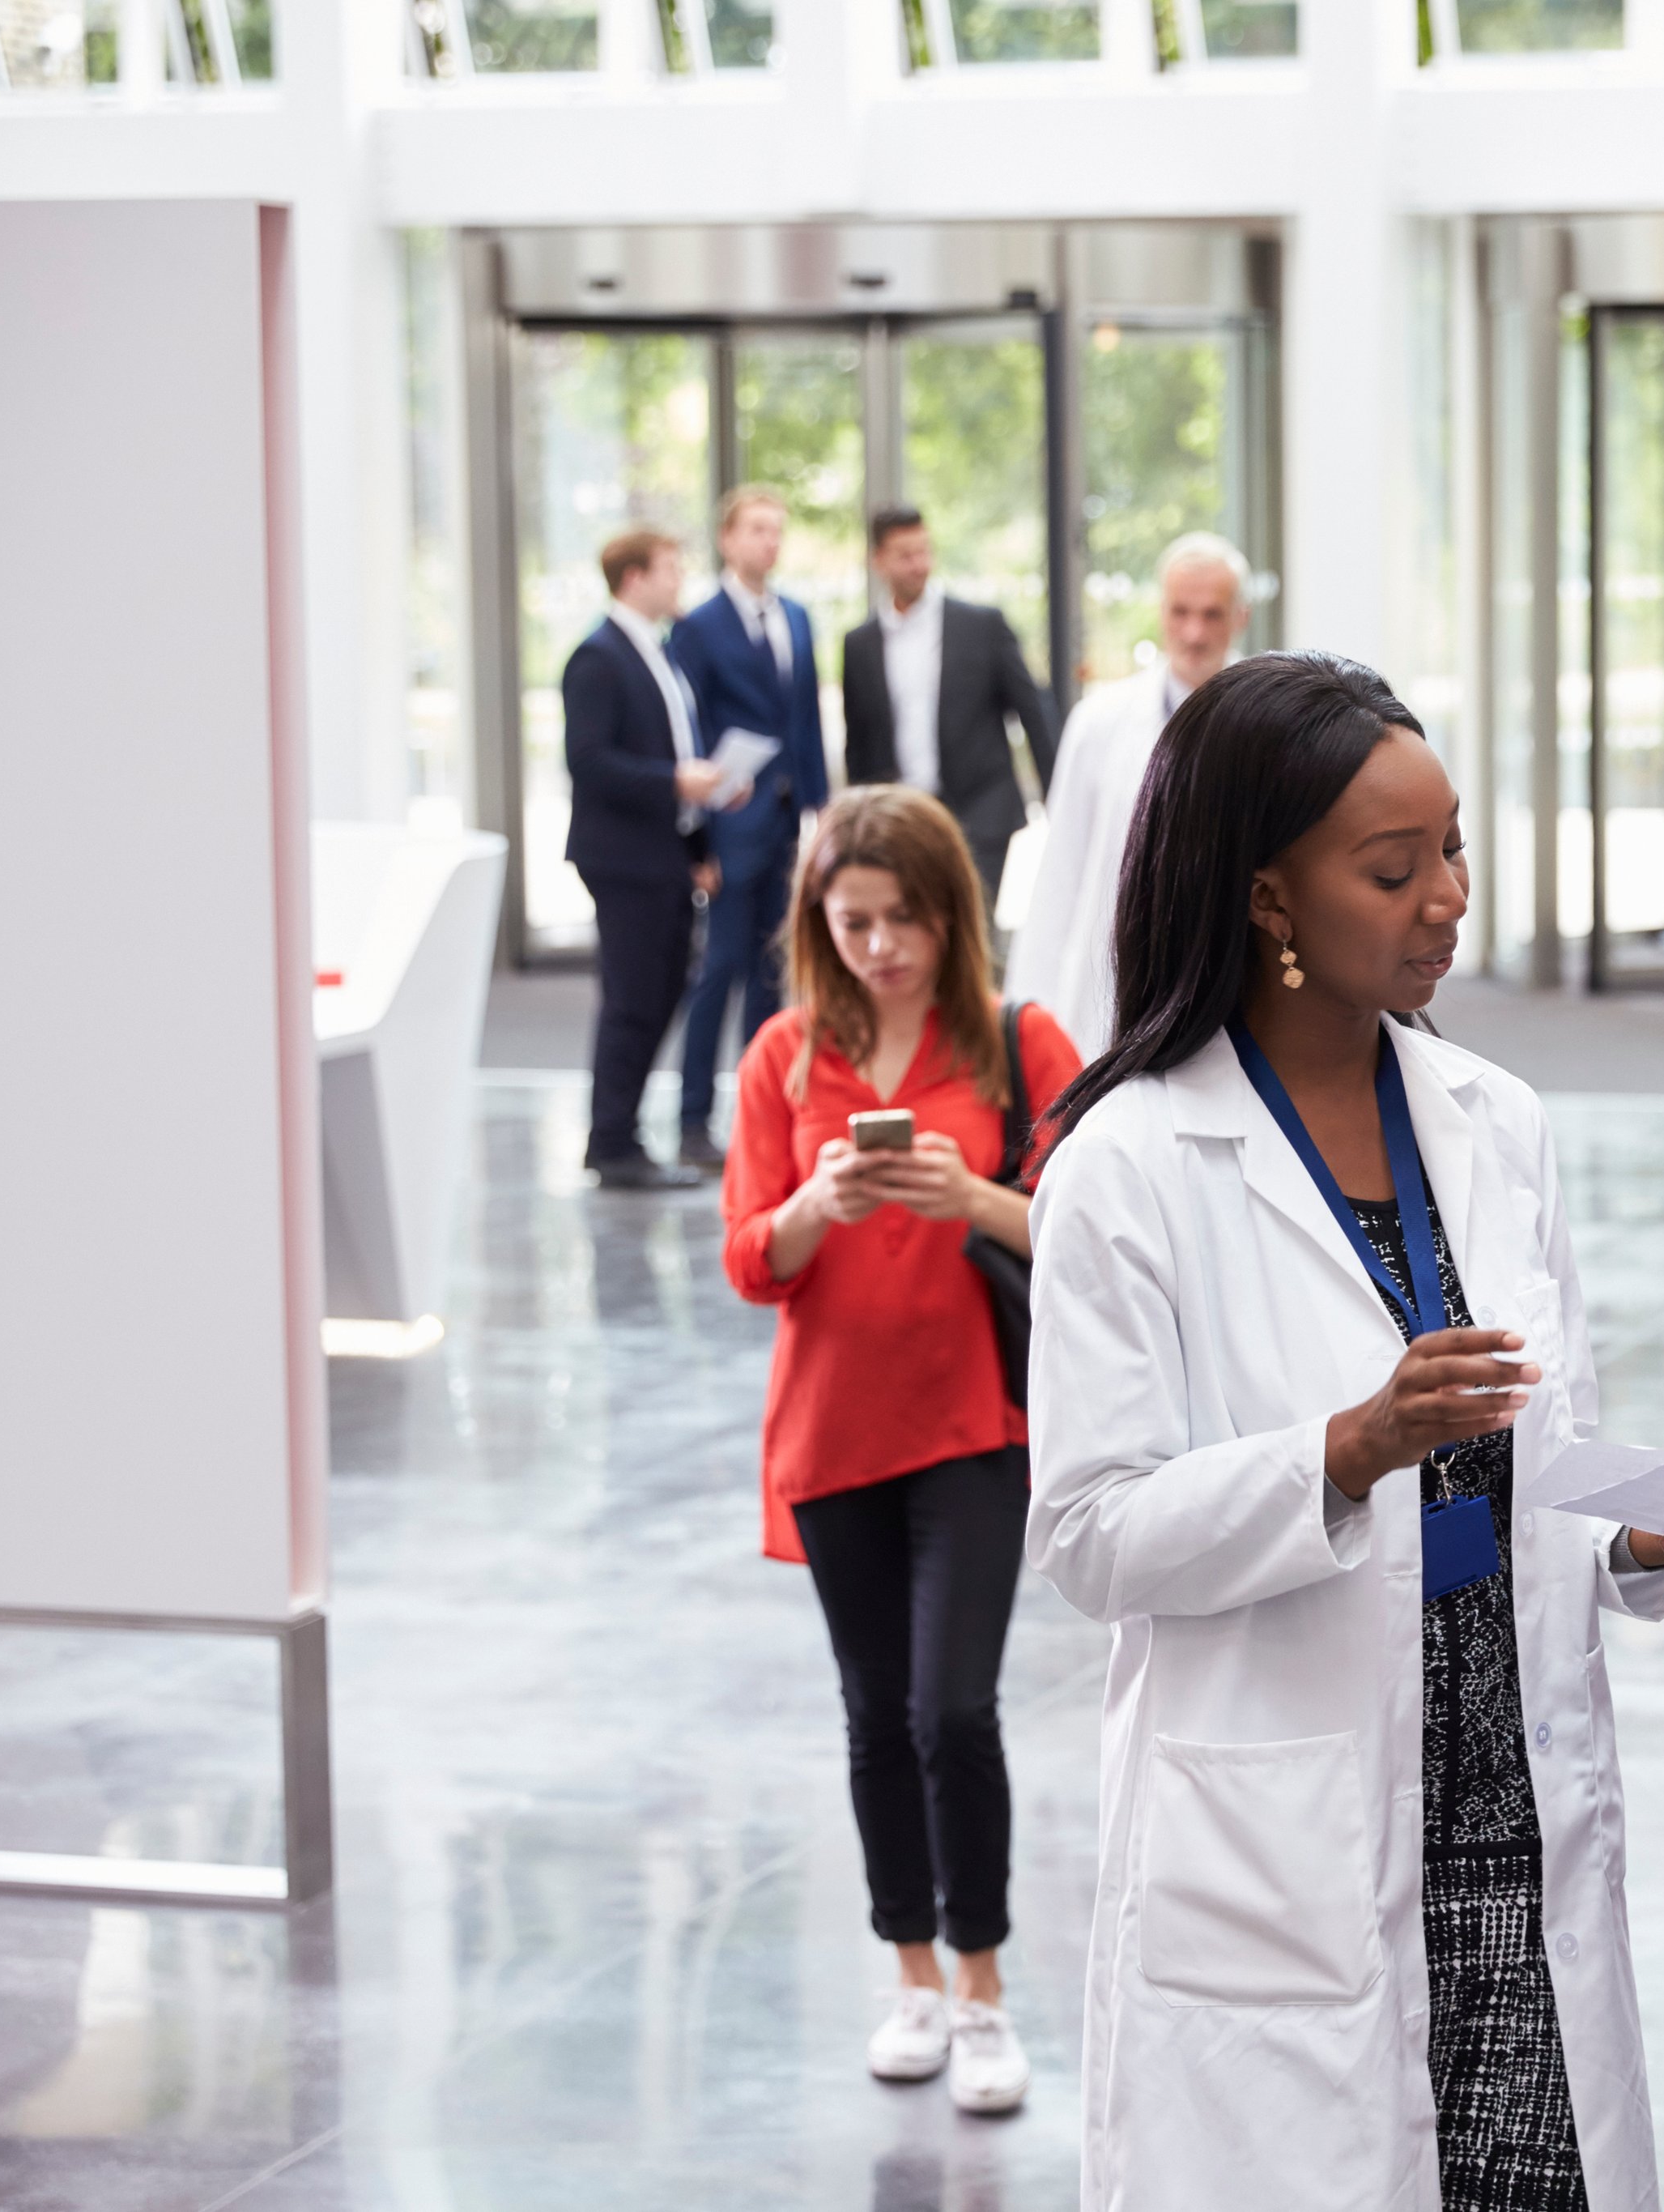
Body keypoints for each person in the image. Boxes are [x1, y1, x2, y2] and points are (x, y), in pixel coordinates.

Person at [1021, 651, 1664, 2210]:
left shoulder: (1495, 1125)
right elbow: (1092, 1538)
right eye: (1396, 867)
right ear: (1267, 897)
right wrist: (1344, 1450)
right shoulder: (1133, 1163)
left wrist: (1645, 1540)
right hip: (1284, 1854)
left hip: (1509, 1829)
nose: (1447, 895)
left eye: (1452, 849)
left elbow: (1535, 1470)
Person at [719, 785, 1083, 2115]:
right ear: (819, 921)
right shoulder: (783, 1059)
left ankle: (983, 1987)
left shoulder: (1013, 1042)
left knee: (952, 1709)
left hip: (972, 1422)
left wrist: (973, 1196)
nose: (880, 946)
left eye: (905, 920)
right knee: (875, 1716)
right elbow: (749, 1258)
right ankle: (911, 1974)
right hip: (831, 1433)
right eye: (853, 920)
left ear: (950, 914)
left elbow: (1098, 1230)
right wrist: (818, 1201)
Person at [1004, 531, 1250, 1055]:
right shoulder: (1100, 722)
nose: (1194, 632)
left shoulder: (1272, 723)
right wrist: (1028, 1011)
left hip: (1232, 974)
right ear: (1160, 612)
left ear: (1240, 618)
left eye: (1212, 614)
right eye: (1181, 612)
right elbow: (1063, 869)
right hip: (1117, 977)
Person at [670, 485, 833, 1171]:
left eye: (777, 530)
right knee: (723, 967)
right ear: (728, 540)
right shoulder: (698, 625)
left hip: (789, 818)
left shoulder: (796, 615)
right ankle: (692, 1119)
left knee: (775, 970)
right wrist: (698, 834)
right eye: (757, 530)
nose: (770, 541)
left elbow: (806, 718)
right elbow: (688, 724)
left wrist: (822, 807)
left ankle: (764, 1109)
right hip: (731, 819)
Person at [562, 527, 730, 1191]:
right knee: (633, 999)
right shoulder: (597, 657)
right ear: (632, 577)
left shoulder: (655, 652)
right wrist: (674, 782)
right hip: (625, 859)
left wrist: (698, 848)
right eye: (669, 569)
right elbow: (590, 760)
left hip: (661, 853)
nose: (678, 581)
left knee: (658, 990)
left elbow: (668, 744)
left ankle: (621, 1132)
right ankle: (612, 1141)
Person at [841, 505, 1061, 913]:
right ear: (878, 561)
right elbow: (859, 743)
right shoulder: (859, 645)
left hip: (982, 812)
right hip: (901, 820)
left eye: (924, 551)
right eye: (905, 555)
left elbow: (1035, 714)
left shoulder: (982, 627)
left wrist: (1059, 798)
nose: (918, 565)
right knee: (918, 934)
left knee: (972, 936)